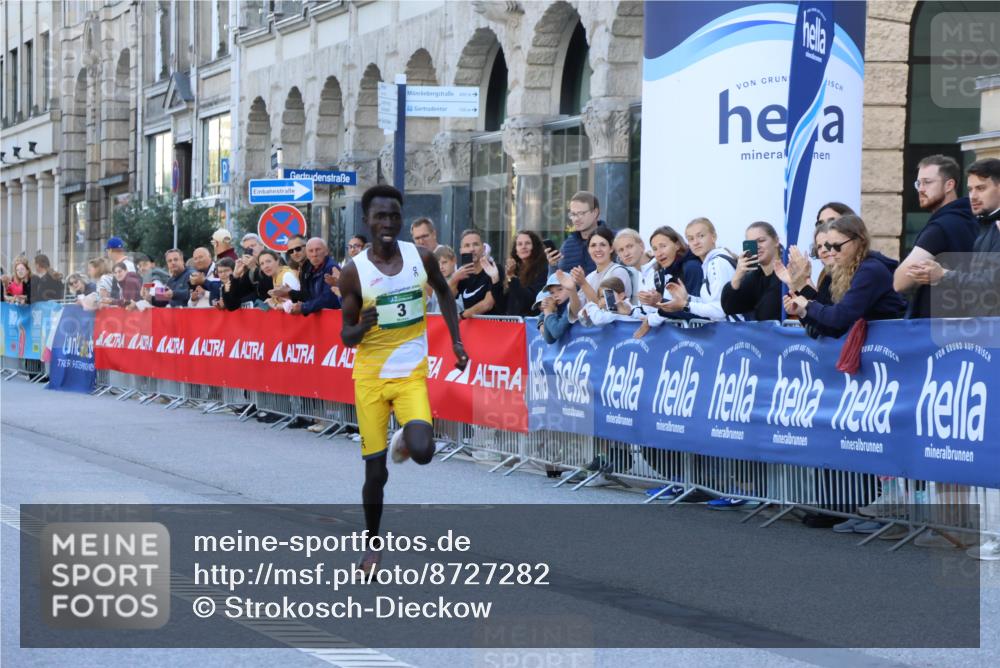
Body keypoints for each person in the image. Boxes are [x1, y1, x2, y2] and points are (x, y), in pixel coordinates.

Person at [337, 185, 467, 576]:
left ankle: (405, 437)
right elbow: (345, 335)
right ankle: (372, 546)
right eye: (380, 217)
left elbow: (444, 294)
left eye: (394, 216)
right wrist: (361, 327)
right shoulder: (353, 271)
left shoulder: (420, 257)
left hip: (410, 372)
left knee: (424, 452)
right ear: (367, 221)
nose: (388, 224)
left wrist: (457, 340)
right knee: (375, 473)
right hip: (371, 379)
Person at [784, 215, 907, 337]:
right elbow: (835, 330)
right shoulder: (848, 269)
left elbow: (839, 317)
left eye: (837, 246)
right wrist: (803, 312)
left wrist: (807, 304)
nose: (832, 252)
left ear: (859, 240)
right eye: (829, 247)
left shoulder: (870, 270)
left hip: (891, 344)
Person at [908, 157, 1000, 320]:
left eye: (981, 188)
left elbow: (993, 284)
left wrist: (943, 275)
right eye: (970, 189)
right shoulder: (983, 225)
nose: (973, 196)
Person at [893, 155, 978, 318]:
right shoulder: (973, 219)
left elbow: (900, 282)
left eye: (927, 182)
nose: (921, 189)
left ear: (949, 185)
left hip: (937, 327)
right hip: (973, 322)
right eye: (918, 183)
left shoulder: (940, 228)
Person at [566, 227, 634, 321]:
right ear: (588, 250)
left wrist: (583, 284)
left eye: (602, 245)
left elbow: (605, 309)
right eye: (593, 245)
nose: (598, 249)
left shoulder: (618, 271)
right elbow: (576, 312)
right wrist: (572, 290)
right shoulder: (589, 277)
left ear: (611, 248)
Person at [721, 222, 783, 321]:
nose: (757, 246)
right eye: (752, 243)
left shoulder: (789, 270)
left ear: (776, 241)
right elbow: (728, 307)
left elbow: (767, 313)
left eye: (761, 240)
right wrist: (737, 276)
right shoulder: (755, 275)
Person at [273, 237, 341, 314]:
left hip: (332, 318)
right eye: (291, 251)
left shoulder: (331, 268)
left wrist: (302, 306)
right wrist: (290, 294)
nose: (314, 254)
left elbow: (328, 299)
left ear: (326, 251)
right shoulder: (309, 268)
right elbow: (309, 296)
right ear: (307, 252)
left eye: (298, 249)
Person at [554, 191, 612, 274]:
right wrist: (552, 265)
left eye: (581, 213)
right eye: (573, 214)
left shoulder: (614, 240)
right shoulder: (567, 245)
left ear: (595, 212)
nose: (576, 219)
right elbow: (557, 282)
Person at [450, 229, 503, 318]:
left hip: (493, 327)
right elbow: (447, 299)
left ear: (483, 248)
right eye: (467, 246)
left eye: (475, 244)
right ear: (461, 251)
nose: (471, 249)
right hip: (470, 328)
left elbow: (488, 304)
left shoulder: (494, 269)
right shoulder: (462, 273)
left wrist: (463, 315)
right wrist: (454, 280)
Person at [499, 230, 549, 317]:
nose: (523, 247)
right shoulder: (514, 269)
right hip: (512, 324)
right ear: (516, 250)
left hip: (530, 325)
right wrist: (495, 280)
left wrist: (512, 277)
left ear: (535, 247)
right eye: (519, 244)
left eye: (528, 243)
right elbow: (502, 305)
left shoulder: (543, 269)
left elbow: (529, 301)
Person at [538, 272, 582, 343]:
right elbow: (549, 339)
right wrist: (545, 314)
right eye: (552, 293)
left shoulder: (572, 303)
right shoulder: (556, 306)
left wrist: (548, 313)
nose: (555, 295)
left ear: (570, 287)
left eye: (560, 289)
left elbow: (556, 332)